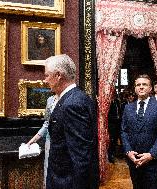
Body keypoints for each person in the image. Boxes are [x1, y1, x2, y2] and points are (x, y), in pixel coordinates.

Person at [44, 54, 99, 189]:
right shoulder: (74, 98)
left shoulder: (72, 104)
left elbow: (81, 157)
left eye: (47, 75)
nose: (45, 80)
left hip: (67, 182)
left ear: (58, 75)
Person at [121, 74, 157, 189]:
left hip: (153, 162)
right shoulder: (128, 108)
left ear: (150, 88)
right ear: (135, 88)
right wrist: (128, 151)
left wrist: (152, 154)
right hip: (134, 161)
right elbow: (124, 131)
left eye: (144, 84)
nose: (141, 87)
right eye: (138, 85)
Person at [26, 95, 59, 188]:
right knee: (49, 171)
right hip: (50, 141)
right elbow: (46, 124)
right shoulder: (50, 100)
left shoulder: (69, 98)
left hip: (64, 143)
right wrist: (32, 141)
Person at [107, 90, 122, 163]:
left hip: (118, 124)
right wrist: (115, 118)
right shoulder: (108, 102)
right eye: (113, 93)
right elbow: (107, 115)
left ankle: (116, 154)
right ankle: (110, 155)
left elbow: (119, 111)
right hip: (111, 124)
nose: (114, 94)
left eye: (115, 93)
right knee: (111, 141)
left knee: (116, 139)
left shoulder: (117, 101)